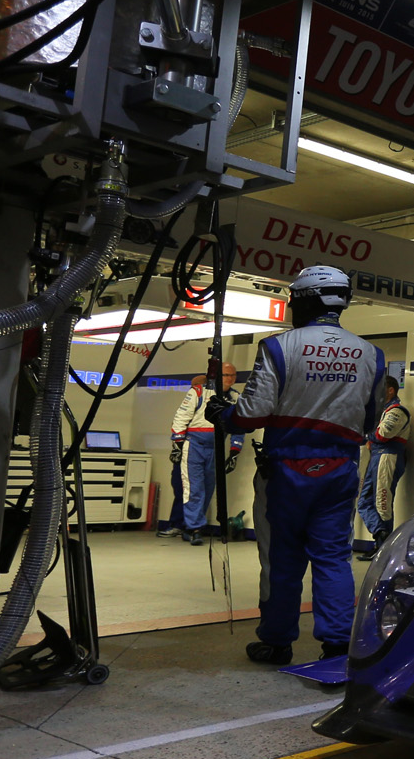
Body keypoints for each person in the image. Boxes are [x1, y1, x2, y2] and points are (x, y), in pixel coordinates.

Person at [210, 265, 385, 665]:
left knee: (282, 560)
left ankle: (276, 641)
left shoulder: (278, 346)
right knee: (333, 557)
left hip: (286, 472)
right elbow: (372, 420)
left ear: (302, 301)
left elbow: (252, 413)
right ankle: (338, 645)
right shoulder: (371, 353)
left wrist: (223, 415)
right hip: (340, 469)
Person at [170, 363, 243, 546]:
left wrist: (234, 453)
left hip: (216, 449)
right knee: (194, 490)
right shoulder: (199, 392)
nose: (230, 379)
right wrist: (177, 446)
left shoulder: (235, 398)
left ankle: (192, 525)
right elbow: (181, 417)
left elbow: (240, 426)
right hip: (193, 445)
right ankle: (194, 528)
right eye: (226, 375)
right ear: (217, 376)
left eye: (233, 376)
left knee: (209, 489)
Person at [355, 376, 411, 561]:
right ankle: (381, 537)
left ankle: (385, 549)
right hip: (376, 458)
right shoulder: (382, 411)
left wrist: (370, 435)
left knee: (382, 502)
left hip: (388, 457)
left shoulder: (397, 411)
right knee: (363, 501)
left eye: (380, 389)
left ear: (390, 390)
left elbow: (382, 434)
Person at [155, 375, 201, 538]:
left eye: (196, 386)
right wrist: (176, 449)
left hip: (197, 454)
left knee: (189, 491)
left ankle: (183, 525)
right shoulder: (189, 407)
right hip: (182, 455)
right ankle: (180, 524)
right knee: (179, 487)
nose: (192, 389)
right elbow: (178, 427)